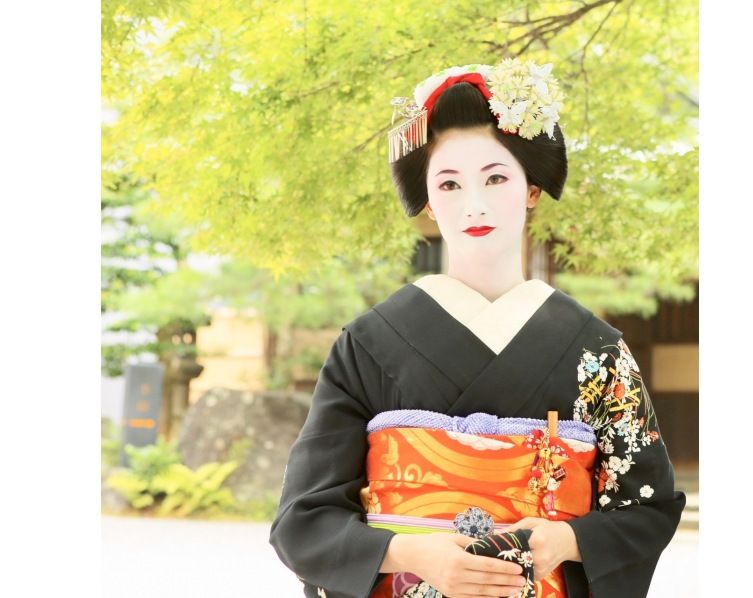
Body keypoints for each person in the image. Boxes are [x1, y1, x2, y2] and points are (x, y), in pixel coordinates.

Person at [269, 60, 686, 598]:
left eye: (496, 177)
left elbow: (648, 508)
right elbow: (303, 519)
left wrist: (562, 540)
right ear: (428, 200)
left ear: (531, 188)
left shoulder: (597, 350)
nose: (474, 204)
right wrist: (410, 550)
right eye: (449, 183)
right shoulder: (369, 344)